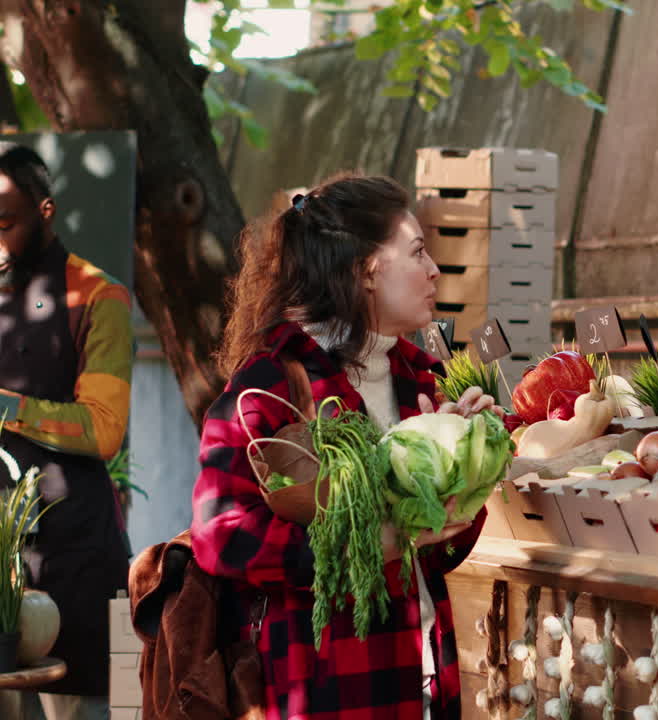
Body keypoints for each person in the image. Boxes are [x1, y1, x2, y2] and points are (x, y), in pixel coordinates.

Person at [190, 173, 493, 720]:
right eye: (418, 252)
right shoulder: (273, 387)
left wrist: (460, 466)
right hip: (327, 689)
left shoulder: (417, 379)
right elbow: (222, 534)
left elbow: (436, 552)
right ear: (365, 269)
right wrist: (366, 546)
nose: (434, 271)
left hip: (425, 679)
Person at [0, 143, 133, 719]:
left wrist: (8, 407)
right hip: (6, 557)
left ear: (46, 210)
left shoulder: (99, 295)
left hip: (77, 555)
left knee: (90, 710)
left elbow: (104, 430)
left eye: (5, 221)